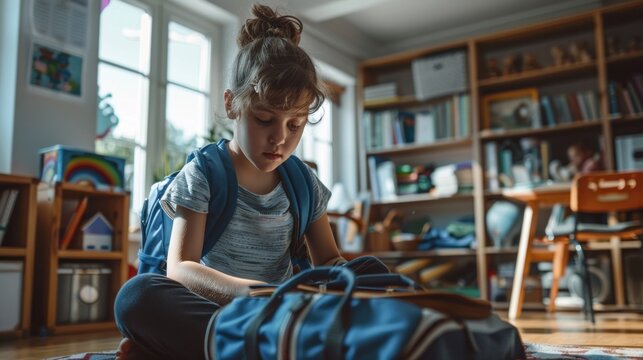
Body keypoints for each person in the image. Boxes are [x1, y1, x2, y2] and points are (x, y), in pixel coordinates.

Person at [114, 5, 378, 359]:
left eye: (294, 125)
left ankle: (224, 349)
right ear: (231, 105)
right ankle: (278, 345)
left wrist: (352, 287)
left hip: (280, 312)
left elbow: (329, 259)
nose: (279, 138)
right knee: (137, 297)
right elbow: (181, 269)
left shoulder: (304, 184)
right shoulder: (205, 173)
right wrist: (256, 294)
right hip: (223, 312)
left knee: (372, 271)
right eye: (265, 119)